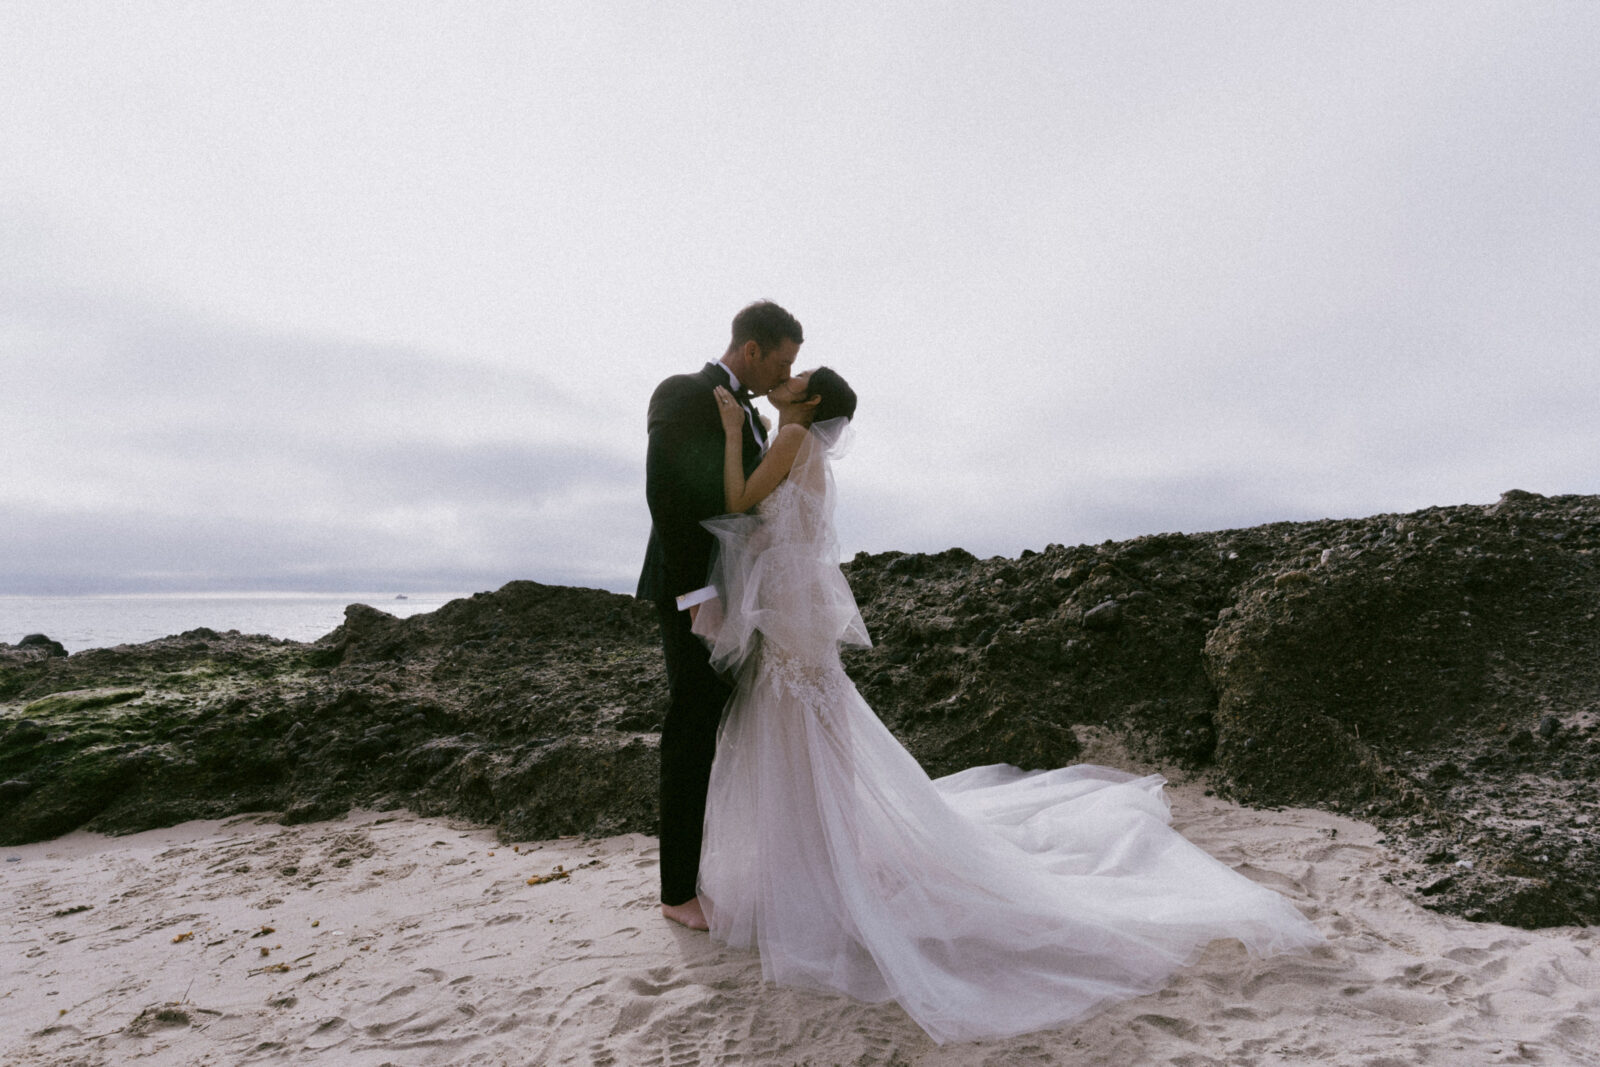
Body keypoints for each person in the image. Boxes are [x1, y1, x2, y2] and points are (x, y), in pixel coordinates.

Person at [689, 368, 1325, 1044]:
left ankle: (818, 871)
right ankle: (820, 858)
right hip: (797, 602)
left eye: (800, 375)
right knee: (810, 728)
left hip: (788, 604)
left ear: (809, 401)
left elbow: (736, 497)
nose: (787, 377)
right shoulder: (808, 449)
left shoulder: (788, 438)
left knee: (796, 727)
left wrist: (732, 433)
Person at [637, 300, 802, 931]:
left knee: (719, 725)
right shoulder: (681, 393)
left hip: (737, 595)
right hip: (694, 595)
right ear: (751, 349)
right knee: (690, 728)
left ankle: (708, 870)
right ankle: (677, 890)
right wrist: (695, 596)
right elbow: (666, 499)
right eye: (780, 361)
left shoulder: (754, 415)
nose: (784, 374)